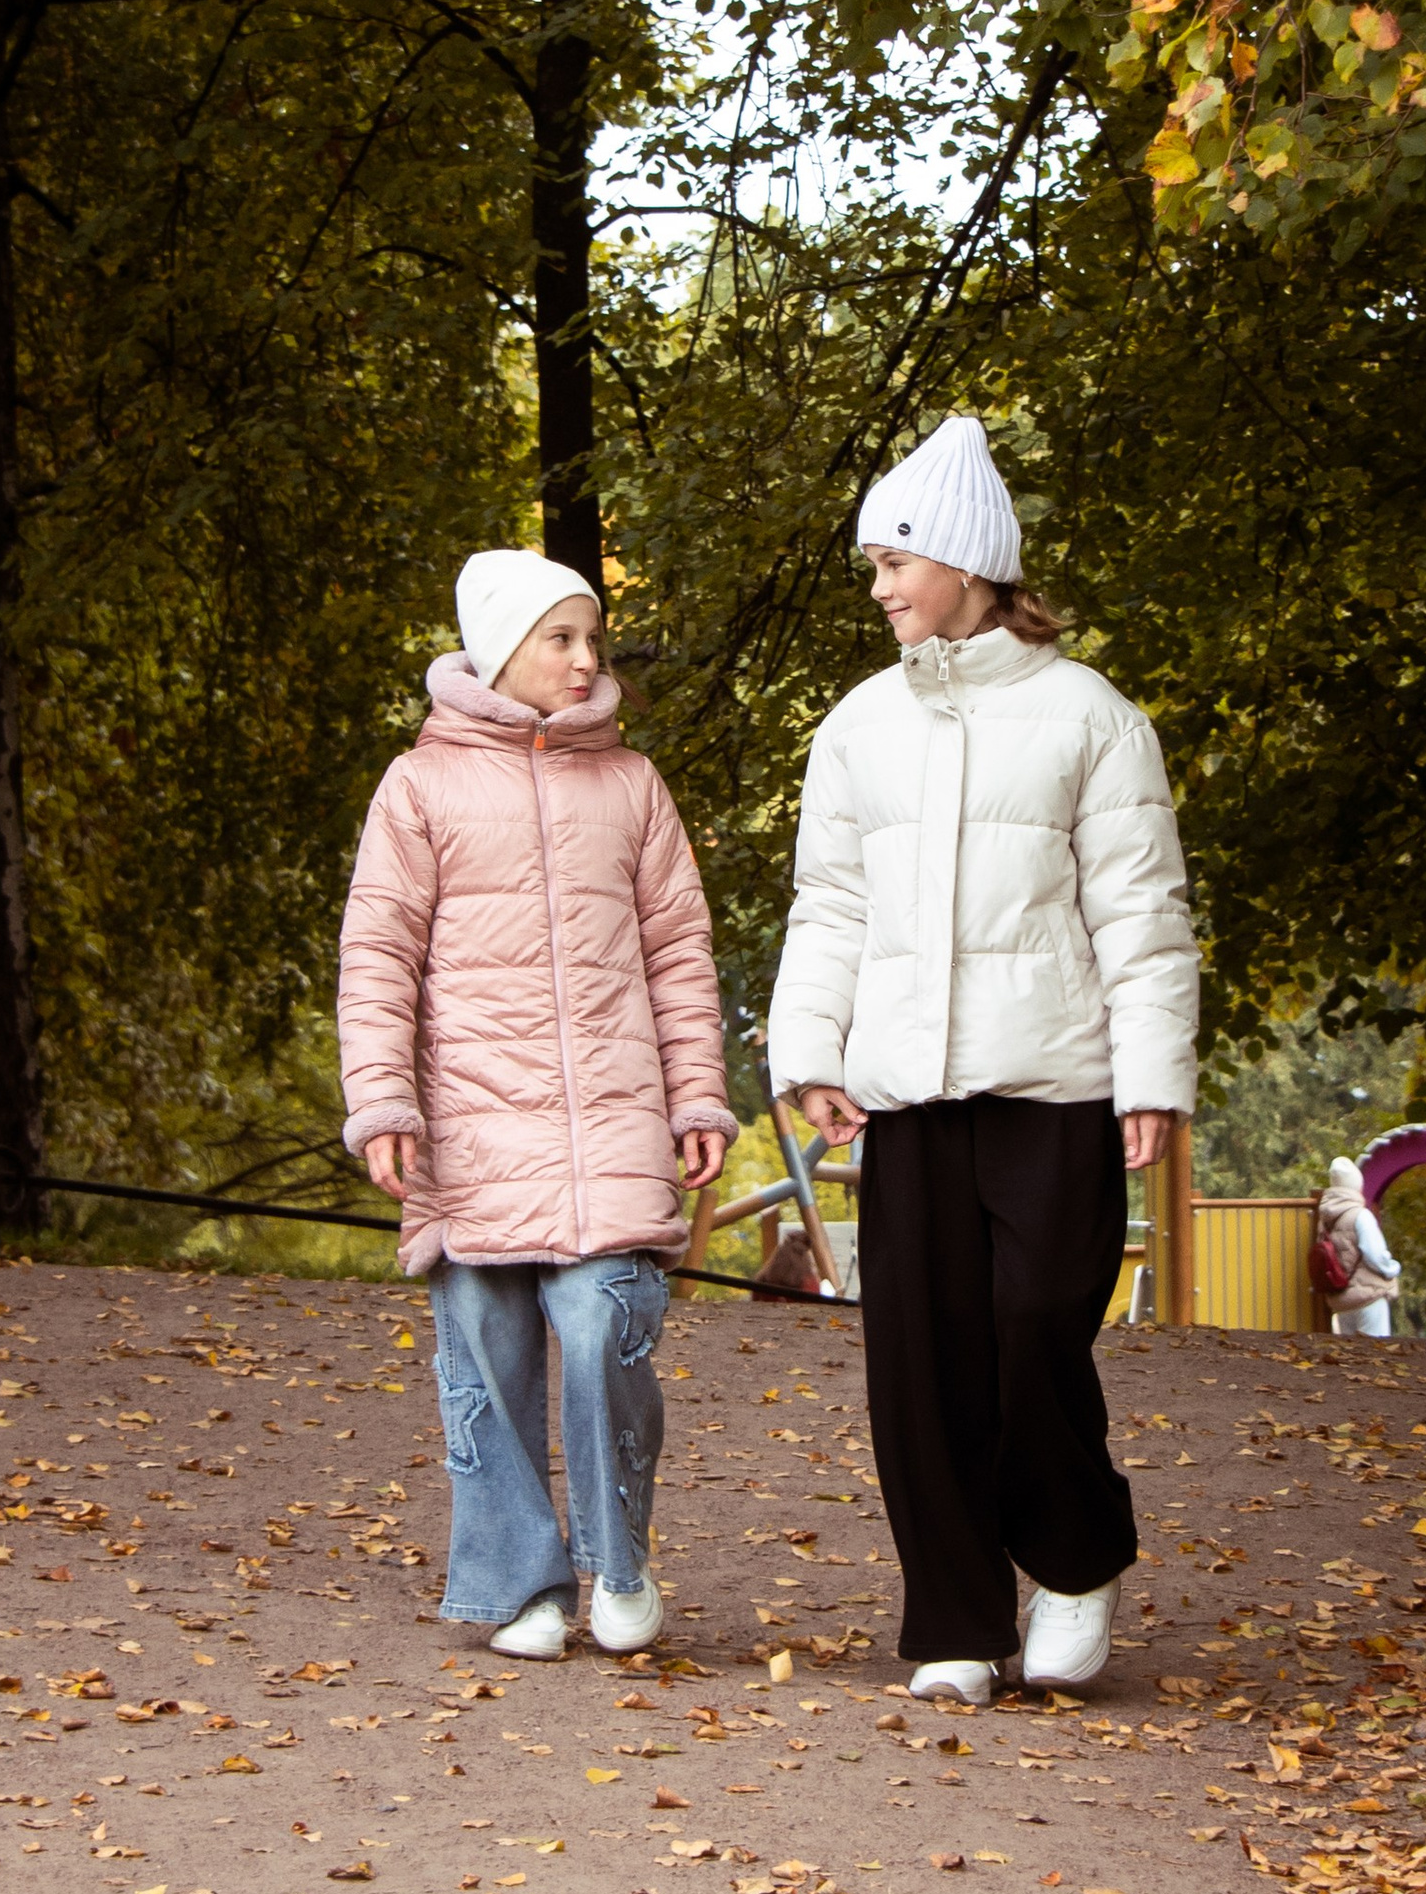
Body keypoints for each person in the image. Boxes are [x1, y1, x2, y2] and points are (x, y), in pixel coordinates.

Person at [768, 414, 1198, 1707]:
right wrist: (810, 1050)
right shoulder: (855, 725)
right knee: (917, 1358)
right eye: (875, 567)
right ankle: (955, 1618)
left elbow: (1141, 909)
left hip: (1055, 1086)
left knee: (1029, 1333)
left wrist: (1152, 1074)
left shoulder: (1092, 717)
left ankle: (1074, 1561)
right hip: (904, 1091)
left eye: (898, 560)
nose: (884, 587)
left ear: (968, 563)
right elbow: (828, 904)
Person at [336, 551, 735, 1658]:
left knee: (609, 1323)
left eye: (592, 639)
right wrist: (384, 1105)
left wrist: (697, 1092)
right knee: (484, 1351)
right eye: (561, 638)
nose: (585, 659)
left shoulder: (633, 786)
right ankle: (522, 1585)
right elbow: (377, 958)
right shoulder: (417, 787)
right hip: (465, 1135)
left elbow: (679, 956)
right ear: (499, 648)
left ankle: (618, 1563)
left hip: (609, 1125)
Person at [1314, 1154, 1401, 1337]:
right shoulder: (1361, 1215)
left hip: (1341, 1298)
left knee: (1351, 1356)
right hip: (1368, 1297)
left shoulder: (1324, 1218)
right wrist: (1392, 1268)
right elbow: (1374, 1255)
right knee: (1376, 1352)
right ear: (1356, 1185)